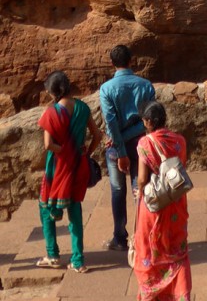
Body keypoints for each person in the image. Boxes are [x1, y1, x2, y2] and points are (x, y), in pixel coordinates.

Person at [36, 70, 102, 273]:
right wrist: (85, 153)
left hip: (57, 167)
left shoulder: (52, 112)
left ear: (54, 91)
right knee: (75, 211)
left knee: (45, 207)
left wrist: (63, 150)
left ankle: (52, 254)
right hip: (78, 164)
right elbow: (97, 135)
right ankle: (78, 260)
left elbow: (48, 145)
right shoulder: (82, 107)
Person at [99, 44, 155, 251]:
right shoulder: (146, 85)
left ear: (112, 64)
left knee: (117, 190)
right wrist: (128, 136)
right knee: (140, 189)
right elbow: (149, 119)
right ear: (131, 61)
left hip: (115, 148)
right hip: (141, 143)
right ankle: (144, 236)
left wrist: (119, 145)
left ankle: (120, 237)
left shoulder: (106, 89)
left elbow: (111, 122)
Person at [135, 101, 191, 301]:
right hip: (176, 203)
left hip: (154, 206)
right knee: (177, 250)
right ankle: (180, 294)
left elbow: (142, 179)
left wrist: (139, 191)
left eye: (144, 120)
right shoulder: (180, 141)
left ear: (149, 122)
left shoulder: (145, 143)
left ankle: (152, 294)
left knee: (150, 250)